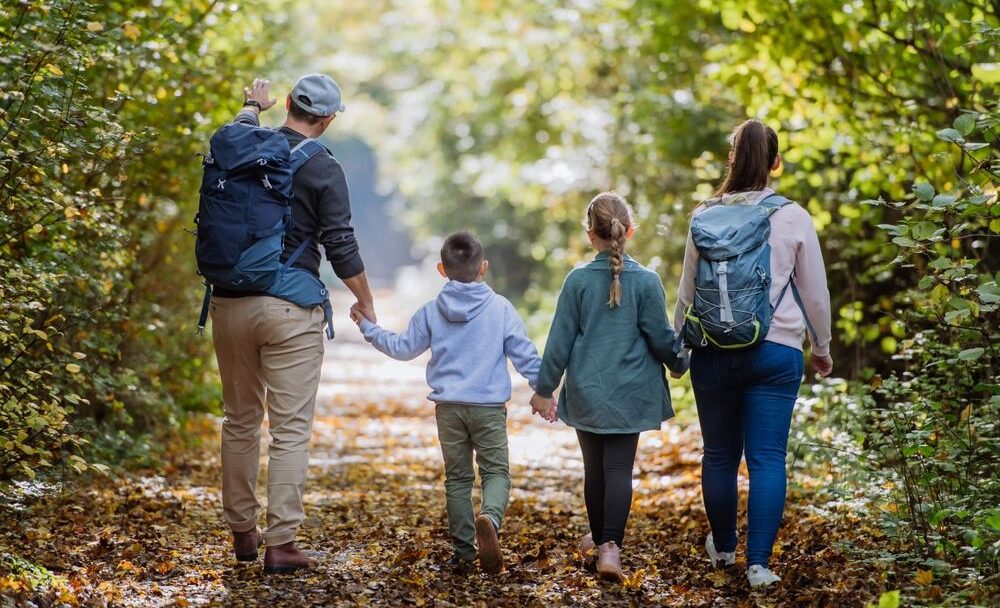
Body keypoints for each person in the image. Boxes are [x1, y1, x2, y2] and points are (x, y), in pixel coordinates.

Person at [210, 76, 377, 574]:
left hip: (230, 303)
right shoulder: (324, 166)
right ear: (327, 120)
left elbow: (231, 138)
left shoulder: (245, 145)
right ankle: (281, 543)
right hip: (290, 311)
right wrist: (365, 300)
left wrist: (248, 106)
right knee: (289, 430)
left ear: (286, 105)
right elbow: (340, 243)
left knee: (240, 420)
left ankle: (243, 532)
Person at [673, 119, 833, 588]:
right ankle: (759, 564)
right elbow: (816, 295)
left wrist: (680, 344)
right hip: (776, 351)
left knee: (719, 455)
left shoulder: (703, 216)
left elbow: (686, 292)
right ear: (775, 162)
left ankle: (723, 548)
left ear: (731, 159)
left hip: (713, 353)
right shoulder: (793, 216)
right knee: (767, 458)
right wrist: (820, 348)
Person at [351, 231, 554, 574]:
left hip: (448, 410)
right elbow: (526, 357)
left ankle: (463, 553)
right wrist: (544, 391)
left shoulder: (431, 311)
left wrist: (370, 327)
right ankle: (489, 517)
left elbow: (402, 348)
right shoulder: (501, 309)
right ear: (484, 268)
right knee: (496, 473)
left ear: (441, 269)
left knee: (458, 480)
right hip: (488, 409)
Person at [530, 192, 688, 583]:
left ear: (590, 235)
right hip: (631, 393)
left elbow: (559, 340)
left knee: (594, 469)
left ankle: (601, 540)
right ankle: (609, 547)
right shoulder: (647, 282)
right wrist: (681, 362)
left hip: (588, 390)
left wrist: (544, 388)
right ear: (629, 231)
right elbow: (660, 337)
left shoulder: (578, 280)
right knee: (618, 468)